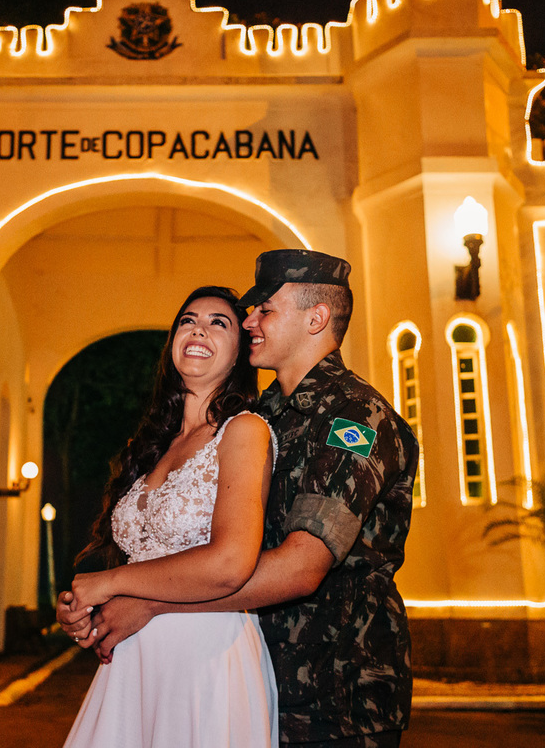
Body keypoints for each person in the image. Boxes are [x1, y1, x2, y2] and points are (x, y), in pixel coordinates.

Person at [60, 250, 419, 748]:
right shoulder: (262, 413)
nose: (250, 321)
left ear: (316, 318)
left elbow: (301, 566)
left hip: (337, 692)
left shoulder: (354, 418)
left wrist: (148, 602)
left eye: (265, 310)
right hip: (259, 671)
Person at [62, 285, 280, 748]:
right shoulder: (153, 447)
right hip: (131, 661)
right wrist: (88, 613)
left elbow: (230, 563)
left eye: (218, 323)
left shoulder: (244, 430)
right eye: (188, 320)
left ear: (241, 352)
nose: (198, 328)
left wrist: (112, 581)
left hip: (205, 656)